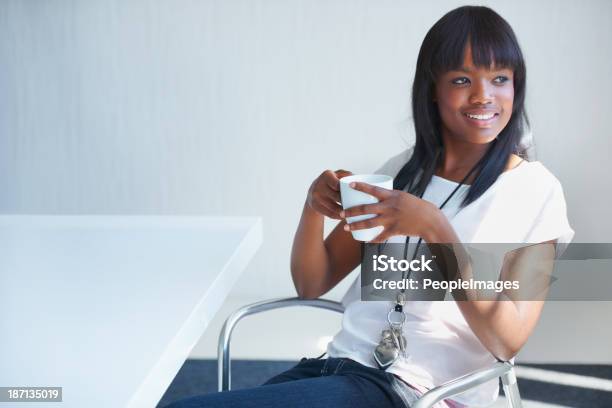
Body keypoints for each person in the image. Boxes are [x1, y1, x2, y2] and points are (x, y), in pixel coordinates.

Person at [164, 5, 574, 408]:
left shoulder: (537, 192)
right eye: (463, 79)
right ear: (433, 89)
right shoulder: (402, 172)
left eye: (500, 78)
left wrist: (437, 230)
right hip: (333, 369)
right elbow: (312, 283)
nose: (484, 96)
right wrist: (313, 206)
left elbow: (507, 340)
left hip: (417, 393)